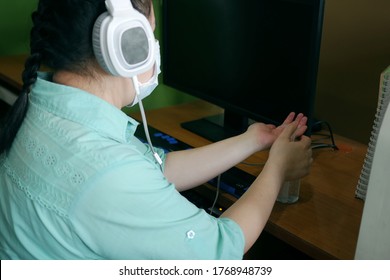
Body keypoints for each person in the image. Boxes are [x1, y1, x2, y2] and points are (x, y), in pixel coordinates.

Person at [0, 0, 312, 260]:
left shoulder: (44, 107)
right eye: (151, 35)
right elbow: (218, 251)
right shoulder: (110, 171)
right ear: (126, 48)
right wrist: (278, 168)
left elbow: (156, 168)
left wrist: (251, 140)